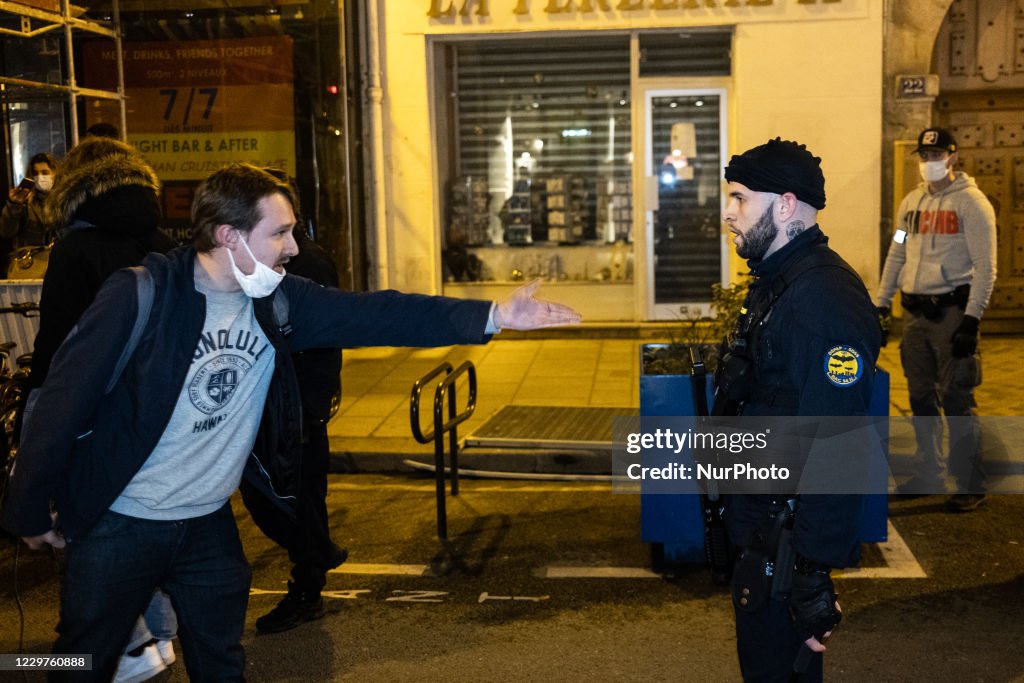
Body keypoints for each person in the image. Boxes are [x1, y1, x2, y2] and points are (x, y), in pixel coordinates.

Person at [0, 163, 580, 680]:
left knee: (222, 660)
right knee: (79, 659)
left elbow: (377, 313)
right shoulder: (141, 294)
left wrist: (497, 315)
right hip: (119, 522)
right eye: (278, 232)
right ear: (228, 236)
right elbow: (60, 401)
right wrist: (27, 510)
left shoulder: (278, 299)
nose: (294, 247)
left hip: (206, 526)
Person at [716, 138, 881, 681]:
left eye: (740, 198)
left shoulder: (823, 299)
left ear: (785, 206)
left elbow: (839, 443)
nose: (728, 212)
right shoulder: (780, 281)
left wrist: (810, 572)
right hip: (762, 533)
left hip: (784, 549)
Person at [27, 136, 181, 680]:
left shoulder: (75, 249)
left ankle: (120, 646)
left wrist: (38, 405)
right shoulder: (162, 243)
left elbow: (59, 342)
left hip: (91, 407)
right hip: (155, 405)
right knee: (143, 515)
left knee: (84, 522)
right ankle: (157, 636)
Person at [239, 170, 348, 634]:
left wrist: (315, 403)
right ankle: (316, 553)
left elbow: (328, 335)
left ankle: (309, 581)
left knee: (292, 499)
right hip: (275, 402)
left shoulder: (309, 264)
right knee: (283, 497)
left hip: (296, 404)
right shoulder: (256, 260)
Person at [875, 128, 997, 513]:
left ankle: (970, 482)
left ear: (953, 157)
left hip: (951, 316)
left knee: (958, 398)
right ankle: (928, 472)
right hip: (915, 317)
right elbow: (897, 255)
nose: (929, 162)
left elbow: (986, 268)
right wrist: (881, 303)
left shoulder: (973, 205)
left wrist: (971, 321)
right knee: (920, 397)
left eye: (936, 154)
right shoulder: (910, 204)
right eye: (924, 155)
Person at [1, 152, 57, 276]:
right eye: (35, 173)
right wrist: (14, 206)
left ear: (54, 173)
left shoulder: (63, 201)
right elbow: (7, 231)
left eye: (45, 172)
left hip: (57, 265)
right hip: (30, 267)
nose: (40, 177)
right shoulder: (25, 202)